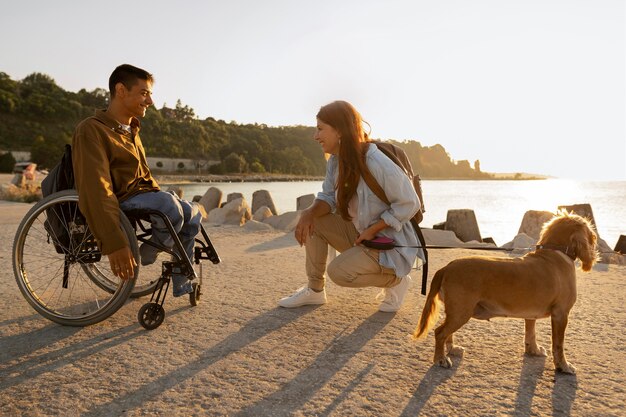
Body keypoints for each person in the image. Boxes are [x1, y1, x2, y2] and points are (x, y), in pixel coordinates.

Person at [278, 100, 423, 312]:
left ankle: (397, 281)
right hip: (362, 233)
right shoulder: (335, 162)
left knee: (339, 272)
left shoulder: (376, 161)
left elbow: (409, 203)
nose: (315, 136)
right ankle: (315, 291)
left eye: (320, 129)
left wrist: (374, 229)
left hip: (389, 242)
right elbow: (327, 197)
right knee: (314, 220)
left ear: (339, 131)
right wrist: (308, 213)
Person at [72, 64, 202, 296]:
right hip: (120, 199)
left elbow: (145, 178)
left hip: (142, 195)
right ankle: (149, 250)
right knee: (169, 205)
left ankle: (182, 281)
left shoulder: (131, 130)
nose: (150, 101)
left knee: (192, 213)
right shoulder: (92, 130)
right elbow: (96, 189)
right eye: (144, 93)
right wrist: (115, 243)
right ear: (121, 90)